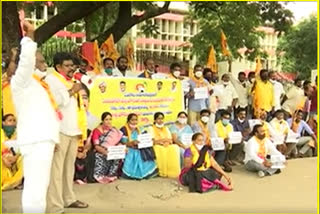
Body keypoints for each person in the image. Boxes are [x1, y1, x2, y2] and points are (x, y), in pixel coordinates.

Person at [10, 21, 61, 213]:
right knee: (35, 189)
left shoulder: (38, 84)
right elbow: (26, 61)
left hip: (43, 139)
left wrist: (53, 138)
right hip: (36, 140)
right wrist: (29, 36)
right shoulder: (21, 82)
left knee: (39, 187)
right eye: (39, 61)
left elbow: (49, 113)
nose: (43, 64)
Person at [45, 51, 88, 212]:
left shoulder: (72, 80)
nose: (71, 69)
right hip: (60, 130)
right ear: (58, 67)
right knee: (56, 171)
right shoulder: (52, 80)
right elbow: (55, 102)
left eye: (73, 65)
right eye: (67, 66)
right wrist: (72, 91)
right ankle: (55, 206)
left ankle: (69, 198)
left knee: (69, 169)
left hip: (73, 130)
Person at [120, 113, 158, 179]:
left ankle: (146, 173)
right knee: (134, 153)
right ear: (128, 121)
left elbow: (147, 137)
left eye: (136, 120)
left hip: (140, 147)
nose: (134, 122)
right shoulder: (124, 129)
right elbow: (123, 143)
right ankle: (131, 174)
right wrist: (132, 143)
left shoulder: (140, 128)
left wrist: (151, 139)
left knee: (145, 151)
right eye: (132, 120)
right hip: (129, 147)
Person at [92, 112, 124, 183]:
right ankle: (100, 176)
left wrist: (120, 149)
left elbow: (118, 142)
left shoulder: (114, 130)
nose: (109, 121)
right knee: (99, 156)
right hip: (100, 151)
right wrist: (105, 152)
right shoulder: (97, 131)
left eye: (110, 119)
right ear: (102, 121)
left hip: (111, 151)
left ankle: (111, 175)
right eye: (106, 119)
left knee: (117, 156)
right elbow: (96, 146)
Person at [149, 112, 180, 178]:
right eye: (158, 119)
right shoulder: (151, 128)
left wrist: (167, 142)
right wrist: (162, 141)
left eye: (162, 119)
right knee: (161, 150)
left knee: (175, 147)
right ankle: (162, 172)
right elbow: (152, 141)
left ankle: (172, 171)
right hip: (157, 145)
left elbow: (170, 140)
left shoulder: (166, 128)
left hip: (166, 144)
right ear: (155, 120)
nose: (160, 121)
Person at [1, 114, 23, 191]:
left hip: (15, 157)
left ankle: (17, 182)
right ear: (3, 123)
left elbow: (22, 148)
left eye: (14, 121)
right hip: (3, 158)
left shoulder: (18, 133)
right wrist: (4, 158)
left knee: (24, 159)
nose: (13, 123)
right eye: (10, 120)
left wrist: (15, 157)